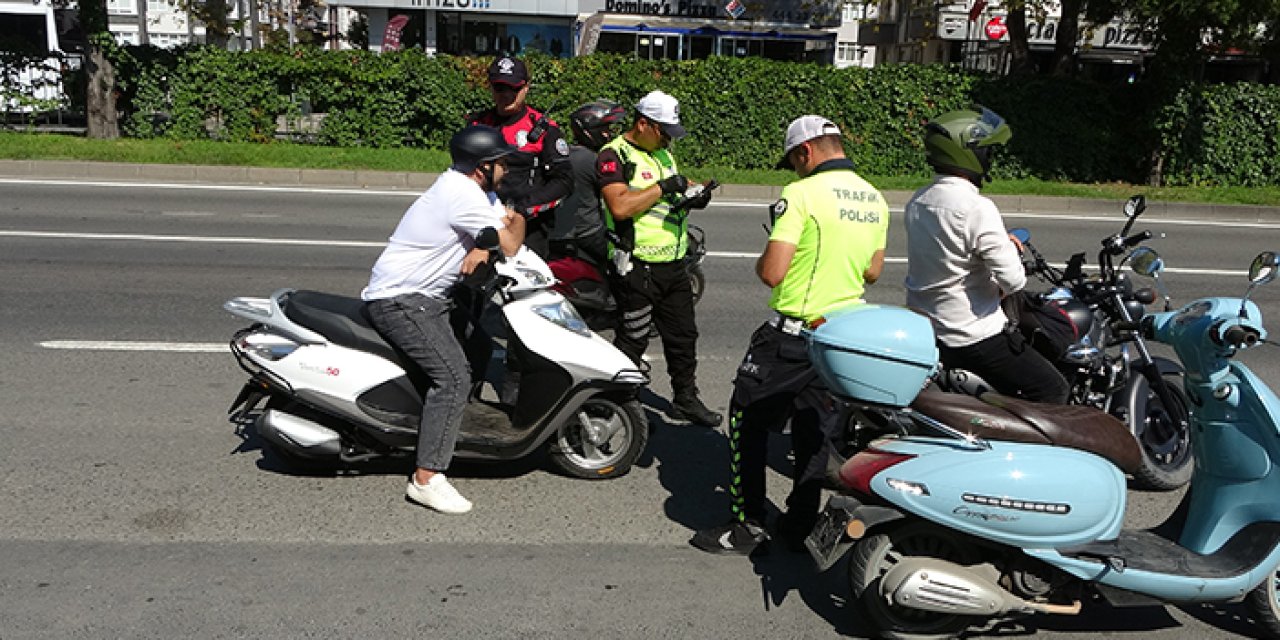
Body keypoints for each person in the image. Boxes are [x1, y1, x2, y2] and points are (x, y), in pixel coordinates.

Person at [691, 116, 890, 555]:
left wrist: (773, 255)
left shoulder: (800, 194)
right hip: (840, 336)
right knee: (815, 430)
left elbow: (772, 272)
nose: (794, 169)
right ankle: (800, 524)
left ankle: (748, 524)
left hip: (791, 336)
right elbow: (872, 272)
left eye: (794, 161)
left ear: (806, 152)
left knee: (746, 418)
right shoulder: (875, 199)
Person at [362, 125, 526, 515]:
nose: (506, 167)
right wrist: (513, 219)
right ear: (482, 167)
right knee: (453, 377)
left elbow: (493, 238)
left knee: (482, 346)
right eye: (500, 161)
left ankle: (453, 426)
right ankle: (426, 477)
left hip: (430, 298)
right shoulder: (461, 195)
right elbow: (511, 240)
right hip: (403, 300)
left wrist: (487, 246)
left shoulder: (468, 188)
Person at [904, 107, 1069, 404]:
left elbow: (949, 255)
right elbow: (1013, 280)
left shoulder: (918, 200)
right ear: (969, 152)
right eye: (987, 152)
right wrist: (1010, 250)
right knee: (1051, 388)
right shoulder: (976, 207)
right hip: (971, 334)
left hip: (929, 328)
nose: (990, 159)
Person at [597, 90, 721, 428]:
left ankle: (685, 398)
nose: (669, 139)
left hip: (674, 264)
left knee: (683, 337)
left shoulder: (663, 154)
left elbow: (678, 185)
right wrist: (664, 189)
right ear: (643, 124)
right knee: (632, 339)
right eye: (664, 131)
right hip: (637, 267)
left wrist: (696, 194)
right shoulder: (614, 154)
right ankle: (618, 402)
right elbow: (620, 206)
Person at [468, 55, 573, 259]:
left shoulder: (543, 130)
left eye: (513, 89)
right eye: (499, 88)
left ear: (526, 88)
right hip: (481, 224)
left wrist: (522, 209)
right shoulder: (477, 126)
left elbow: (565, 181)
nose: (506, 95)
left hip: (527, 229)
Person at [553, 99, 627, 266]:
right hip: (588, 233)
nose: (608, 134)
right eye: (604, 130)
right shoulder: (592, 160)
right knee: (624, 264)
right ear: (588, 132)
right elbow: (620, 194)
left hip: (562, 232)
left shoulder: (567, 154)